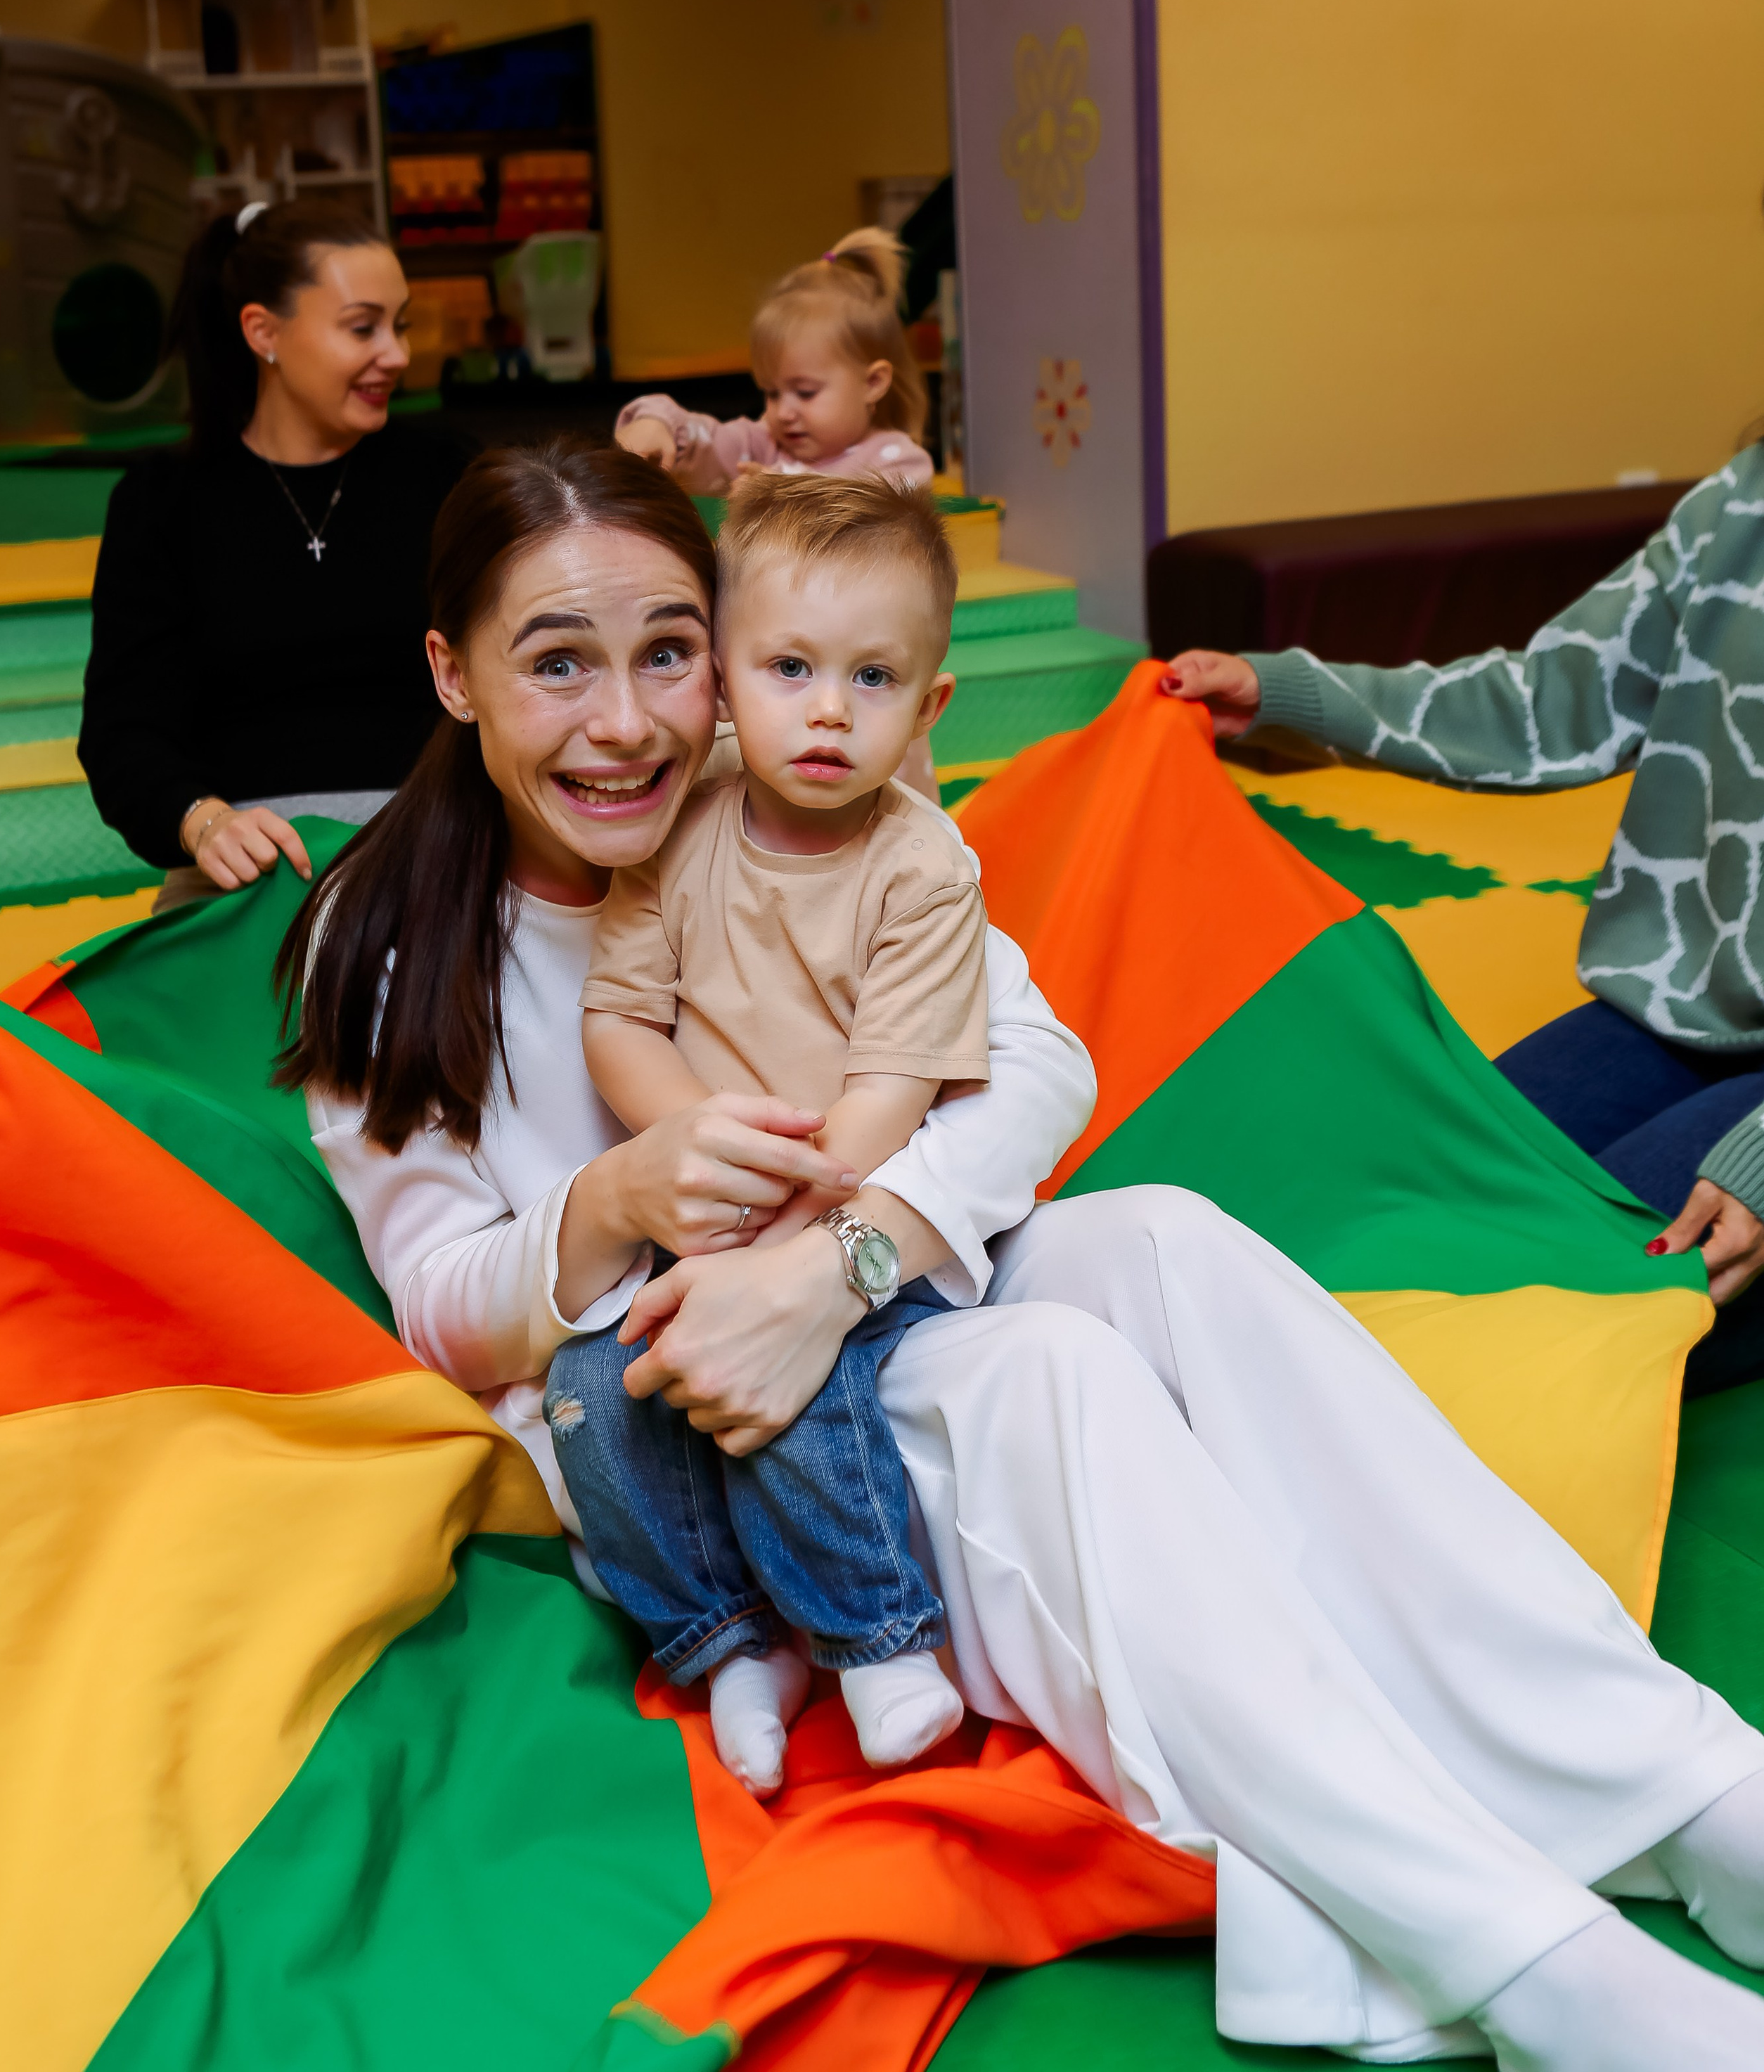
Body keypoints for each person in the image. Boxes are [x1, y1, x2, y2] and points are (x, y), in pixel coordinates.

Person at [282, 437, 1764, 2069]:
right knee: (1048, 1367)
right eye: (556, 662)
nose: (626, 719)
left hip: (865, 1293)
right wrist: (618, 1199)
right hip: (696, 1427)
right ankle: (1505, 1947)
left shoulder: (794, 810)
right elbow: (438, 1296)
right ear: (453, 671)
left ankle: (1668, 1782)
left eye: (668, 652)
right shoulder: (385, 938)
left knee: (1168, 1242)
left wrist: (841, 1252)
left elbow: (1038, 1056)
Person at [1161, 447, 1764, 1391]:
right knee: (1415, 1201)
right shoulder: (1742, 502)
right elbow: (1546, 701)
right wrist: (1285, 691)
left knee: (1556, 1312)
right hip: (1687, 1012)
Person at [571, 473, 981, 1792]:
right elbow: (621, 1020)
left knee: (798, 1384)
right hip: (710, 1210)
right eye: (791, 667)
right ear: (728, 679)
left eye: (873, 682)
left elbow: (890, 1090)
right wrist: (704, 1151)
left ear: (930, 709)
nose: (824, 710)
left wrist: (790, 1221)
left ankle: (878, 1641)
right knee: (591, 1397)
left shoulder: (922, 869)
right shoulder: (681, 829)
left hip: (848, 1226)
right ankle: (734, 1639)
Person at [79, 198, 465, 911]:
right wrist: (204, 822)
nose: (399, 354)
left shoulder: (445, 473)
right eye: (363, 328)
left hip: (433, 852)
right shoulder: (162, 501)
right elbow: (122, 733)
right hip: (247, 874)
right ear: (264, 333)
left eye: (401, 325)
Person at [614, 227, 933, 498]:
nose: (783, 413)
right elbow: (704, 441)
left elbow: (872, 523)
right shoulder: (762, 442)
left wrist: (783, 494)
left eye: (806, 392)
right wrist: (658, 423)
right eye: (771, 393)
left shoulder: (900, 463)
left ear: (873, 383)